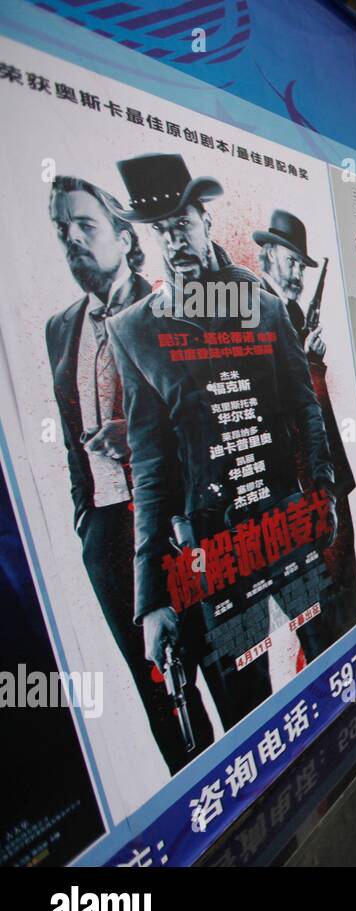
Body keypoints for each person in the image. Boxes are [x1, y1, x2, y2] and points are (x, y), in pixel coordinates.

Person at [105, 152, 337, 731]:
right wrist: (152, 598)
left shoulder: (261, 305)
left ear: (205, 221)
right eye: (160, 232)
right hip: (213, 549)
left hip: (286, 518)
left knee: (334, 659)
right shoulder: (135, 332)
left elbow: (303, 406)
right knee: (245, 708)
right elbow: (151, 467)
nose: (173, 241)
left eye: (181, 224)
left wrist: (324, 486)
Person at [45, 175, 213, 772]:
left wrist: (138, 443)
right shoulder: (60, 328)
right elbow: (69, 432)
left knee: (210, 665)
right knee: (157, 692)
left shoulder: (169, 307)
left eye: (85, 225)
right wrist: (84, 514)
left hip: (172, 524)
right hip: (108, 529)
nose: (72, 239)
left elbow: (202, 417)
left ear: (122, 234)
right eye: (62, 229)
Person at [255, 209, 356, 643]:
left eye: (302, 264)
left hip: (327, 479)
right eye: (291, 260)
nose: (297, 271)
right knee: (322, 611)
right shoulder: (255, 316)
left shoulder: (293, 312)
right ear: (266, 255)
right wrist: (308, 363)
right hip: (295, 491)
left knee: (346, 595)